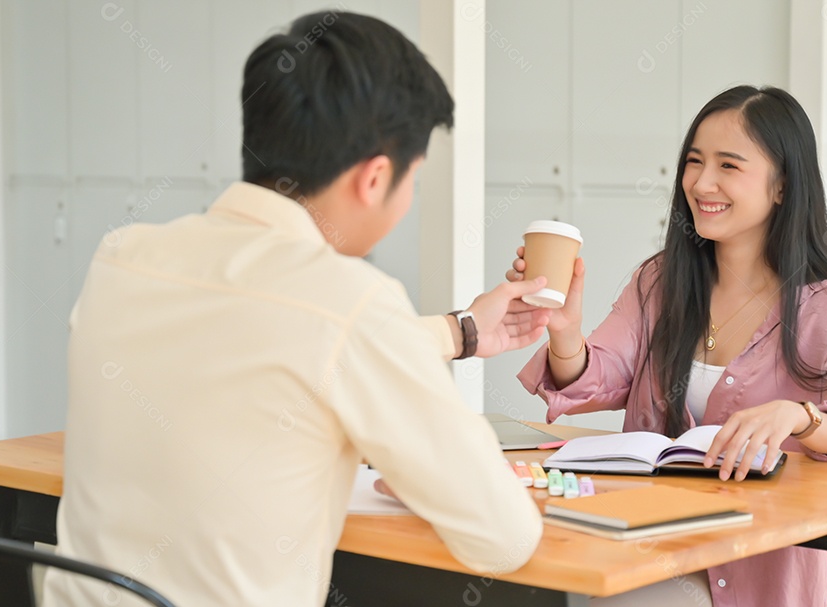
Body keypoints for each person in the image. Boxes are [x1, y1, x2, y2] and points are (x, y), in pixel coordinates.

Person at [44, 11, 551, 607]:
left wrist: (462, 331)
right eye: (413, 179)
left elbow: (267, 337)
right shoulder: (350, 301)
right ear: (374, 178)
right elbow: (504, 537)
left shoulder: (122, 258)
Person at [511, 85, 827, 606]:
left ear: (782, 187)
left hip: (762, 571)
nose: (701, 182)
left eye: (728, 166)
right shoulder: (661, 282)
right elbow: (596, 377)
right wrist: (563, 330)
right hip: (654, 545)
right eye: (694, 161)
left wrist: (798, 416)